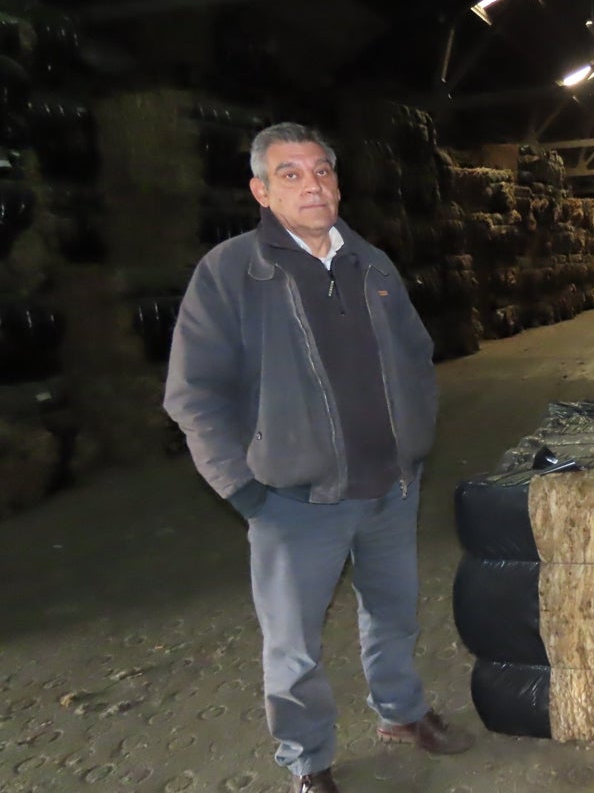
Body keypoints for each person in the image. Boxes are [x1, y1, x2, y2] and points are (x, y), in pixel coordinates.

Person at [164, 121, 473, 793]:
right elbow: (192, 394)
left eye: (323, 171)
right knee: (294, 644)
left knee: (393, 612)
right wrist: (243, 489)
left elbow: (418, 355)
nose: (313, 185)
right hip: (293, 500)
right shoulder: (231, 274)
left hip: (390, 487)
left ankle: (401, 713)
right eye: (291, 174)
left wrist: (414, 440)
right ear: (261, 191)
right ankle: (308, 759)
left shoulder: (373, 263)